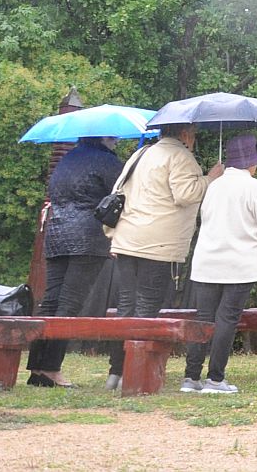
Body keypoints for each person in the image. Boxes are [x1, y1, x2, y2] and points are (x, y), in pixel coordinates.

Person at [105, 122, 224, 390]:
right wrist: (210, 178)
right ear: (184, 134)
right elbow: (186, 194)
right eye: (192, 134)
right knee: (147, 305)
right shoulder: (181, 156)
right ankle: (136, 370)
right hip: (157, 243)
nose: (193, 139)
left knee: (126, 305)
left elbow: (119, 190)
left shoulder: (140, 154)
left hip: (127, 238)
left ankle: (116, 371)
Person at [182, 133, 257, 393]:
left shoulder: (214, 185)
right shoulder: (256, 188)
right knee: (226, 319)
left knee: (203, 318)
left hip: (206, 261)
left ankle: (191, 377)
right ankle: (215, 378)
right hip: (240, 264)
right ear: (252, 162)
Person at [26, 135, 125, 387]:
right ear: (103, 137)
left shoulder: (67, 159)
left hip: (57, 233)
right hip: (87, 237)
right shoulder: (106, 161)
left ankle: (37, 367)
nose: (116, 140)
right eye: (113, 136)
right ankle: (51, 368)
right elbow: (122, 194)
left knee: (50, 301)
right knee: (70, 304)